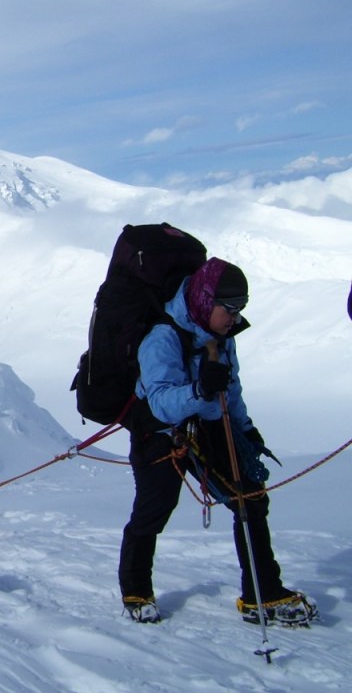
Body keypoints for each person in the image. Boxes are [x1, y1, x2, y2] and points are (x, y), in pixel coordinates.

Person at [118, 257, 318, 625]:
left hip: (208, 425)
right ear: (206, 300)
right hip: (160, 433)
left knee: (251, 499)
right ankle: (136, 590)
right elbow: (160, 403)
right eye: (230, 308)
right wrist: (199, 389)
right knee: (154, 510)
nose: (235, 317)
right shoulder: (163, 337)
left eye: (241, 307)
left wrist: (246, 429)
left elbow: (231, 389)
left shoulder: (221, 337)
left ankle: (262, 593)